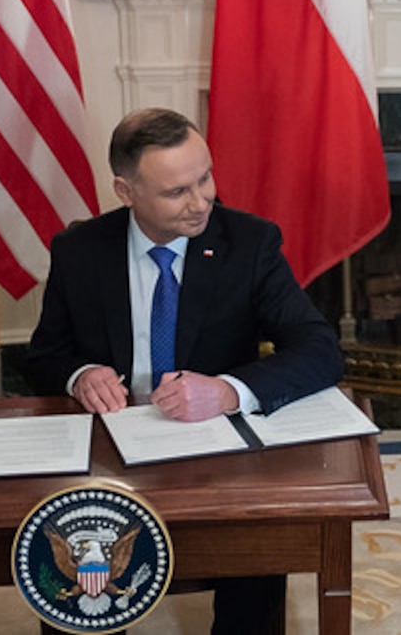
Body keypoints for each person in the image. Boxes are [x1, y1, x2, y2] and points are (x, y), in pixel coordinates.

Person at [26, 107, 345, 635]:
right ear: (126, 191)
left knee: (258, 551)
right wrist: (80, 374)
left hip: (219, 453)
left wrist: (227, 391)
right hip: (111, 457)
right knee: (69, 560)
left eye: (206, 178)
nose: (202, 202)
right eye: (178, 192)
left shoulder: (250, 242)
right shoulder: (80, 250)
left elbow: (321, 348)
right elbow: (43, 357)